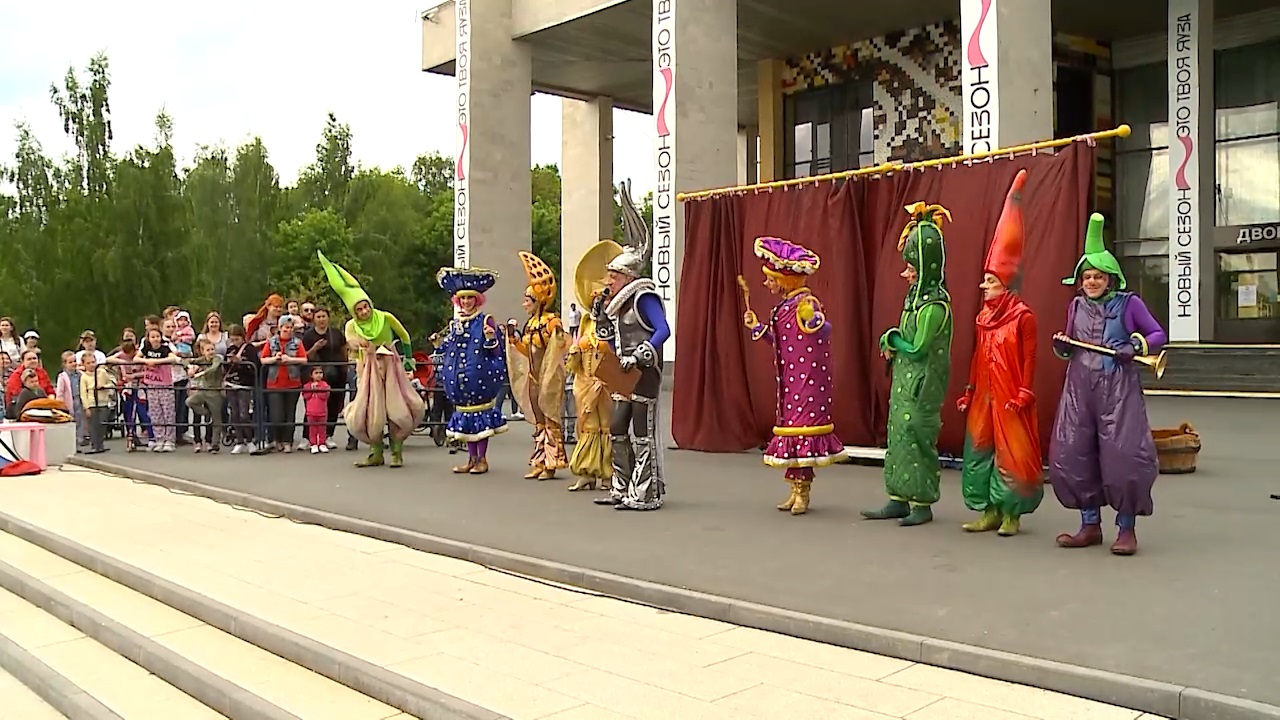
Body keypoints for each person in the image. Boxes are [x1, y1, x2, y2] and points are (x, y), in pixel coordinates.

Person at [1050, 213, 1166, 556]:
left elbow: (1158, 334)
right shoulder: (1076, 306)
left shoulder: (1129, 304)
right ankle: (1089, 525)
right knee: (1073, 453)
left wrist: (1136, 347)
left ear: (1110, 278)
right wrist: (1062, 345)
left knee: (1124, 456)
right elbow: (1070, 344)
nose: (1092, 282)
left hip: (1118, 392)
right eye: (1087, 276)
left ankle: (1126, 528)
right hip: (1079, 390)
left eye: (1098, 276)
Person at [956, 170, 1044, 537]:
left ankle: (1012, 513)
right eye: (986, 280)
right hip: (985, 395)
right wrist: (971, 389)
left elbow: (1030, 357)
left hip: (1010, 395)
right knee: (979, 449)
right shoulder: (981, 317)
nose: (985, 286)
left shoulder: (1023, 317)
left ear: (1005, 284)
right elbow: (978, 356)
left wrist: (1025, 390)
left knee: (1013, 452)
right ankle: (988, 509)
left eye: (991, 282)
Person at [862, 202, 955, 527]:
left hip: (922, 383)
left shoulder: (934, 307)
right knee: (898, 434)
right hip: (905, 380)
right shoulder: (913, 302)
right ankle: (898, 497)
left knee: (916, 434)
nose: (906, 275)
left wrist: (893, 339)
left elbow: (916, 348)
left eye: (912, 269)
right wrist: (892, 339)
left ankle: (922, 502)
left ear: (927, 268)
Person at [743, 236, 847, 516]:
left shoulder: (806, 302)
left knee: (802, 432)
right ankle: (794, 490)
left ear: (784, 280)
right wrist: (758, 328)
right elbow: (781, 342)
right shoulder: (785, 305)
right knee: (792, 432)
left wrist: (815, 321)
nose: (767, 284)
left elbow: (823, 330)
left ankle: (803, 492)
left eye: (771, 279)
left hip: (808, 381)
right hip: (790, 380)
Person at [592, 181, 671, 511]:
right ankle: (621, 488)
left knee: (642, 432)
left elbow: (663, 330)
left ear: (626, 276)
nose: (608, 281)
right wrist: (598, 315)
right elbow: (609, 336)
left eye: (612, 276)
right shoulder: (618, 304)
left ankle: (646, 492)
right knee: (616, 428)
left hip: (643, 374)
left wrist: (641, 354)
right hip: (622, 375)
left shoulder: (644, 296)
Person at [319, 251, 425, 468]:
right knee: (369, 409)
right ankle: (375, 452)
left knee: (398, 408)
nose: (364, 311)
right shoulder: (351, 325)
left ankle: (396, 452)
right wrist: (359, 343)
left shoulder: (385, 317)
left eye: (365, 305)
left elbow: (404, 335)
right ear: (354, 312)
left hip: (391, 367)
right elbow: (350, 340)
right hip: (367, 369)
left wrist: (407, 359)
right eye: (359, 309)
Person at [432, 267, 508, 473]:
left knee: (480, 422)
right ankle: (472, 459)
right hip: (461, 383)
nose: (466, 302)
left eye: (469, 298)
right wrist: (439, 343)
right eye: (462, 298)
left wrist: (491, 338)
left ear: (477, 300)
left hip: (479, 379)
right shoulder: (457, 323)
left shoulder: (485, 320)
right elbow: (449, 347)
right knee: (467, 422)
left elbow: (496, 351)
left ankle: (482, 459)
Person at [565, 239, 625, 492]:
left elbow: (619, 345)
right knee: (587, 426)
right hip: (586, 381)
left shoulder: (617, 319)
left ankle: (609, 474)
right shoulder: (586, 321)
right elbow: (579, 346)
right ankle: (587, 472)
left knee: (608, 427)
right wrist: (576, 350)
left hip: (608, 380)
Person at [506, 251, 572, 480]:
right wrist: (513, 340)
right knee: (539, 422)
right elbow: (527, 351)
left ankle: (552, 463)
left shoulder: (550, 322)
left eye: (528, 300)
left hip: (548, 378)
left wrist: (558, 336)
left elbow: (558, 348)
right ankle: (540, 460)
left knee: (550, 420)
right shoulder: (531, 323)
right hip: (534, 378)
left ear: (539, 300)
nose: (524, 303)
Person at [260, 313, 309, 453]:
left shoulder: (297, 342)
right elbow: (263, 359)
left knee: (290, 414)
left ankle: (288, 441)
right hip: (274, 382)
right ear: (280, 328)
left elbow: (304, 359)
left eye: (290, 328)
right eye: (285, 328)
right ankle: (278, 440)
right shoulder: (271, 342)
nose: (288, 330)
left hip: (292, 382)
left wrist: (290, 360)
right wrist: (274, 359)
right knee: (276, 415)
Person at [302, 307, 347, 450]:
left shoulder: (335, 333)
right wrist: (315, 347)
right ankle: (307, 437)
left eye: (324, 316)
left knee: (334, 404)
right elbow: (304, 355)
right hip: (317, 374)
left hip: (337, 372)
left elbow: (344, 348)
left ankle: (328, 435)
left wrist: (346, 364)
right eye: (318, 317)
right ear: (314, 319)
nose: (321, 319)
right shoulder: (308, 335)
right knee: (313, 407)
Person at [223, 325, 259, 454]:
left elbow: (255, 367)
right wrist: (229, 363)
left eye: (237, 339)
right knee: (234, 413)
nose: (235, 342)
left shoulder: (250, 349)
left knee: (244, 414)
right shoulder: (230, 349)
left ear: (243, 337)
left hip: (244, 384)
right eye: (232, 339)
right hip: (231, 384)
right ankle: (239, 441)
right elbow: (225, 368)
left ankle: (249, 440)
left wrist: (241, 363)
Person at [186, 338, 226, 453]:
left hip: (215, 392)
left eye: (212, 349)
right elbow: (188, 361)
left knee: (217, 421)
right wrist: (189, 367)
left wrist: (201, 373)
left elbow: (214, 368)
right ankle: (206, 413)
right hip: (203, 390)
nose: (211, 352)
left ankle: (215, 444)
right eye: (208, 350)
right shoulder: (202, 360)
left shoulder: (217, 359)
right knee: (190, 402)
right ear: (203, 351)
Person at [79, 353, 113, 454]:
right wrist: (86, 407)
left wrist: (105, 387)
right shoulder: (84, 377)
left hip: (103, 401)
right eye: (88, 363)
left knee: (103, 423)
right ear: (84, 364)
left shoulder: (102, 372)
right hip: (92, 402)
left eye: (93, 362)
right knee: (93, 425)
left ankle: (101, 444)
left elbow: (111, 382)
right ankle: (94, 445)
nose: (91, 365)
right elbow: (83, 393)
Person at [302, 366, 332, 454]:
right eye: (316, 373)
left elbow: (325, 397)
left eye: (320, 373)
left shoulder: (325, 385)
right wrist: (311, 390)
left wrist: (318, 389)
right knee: (312, 429)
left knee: (322, 428)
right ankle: (313, 444)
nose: (319, 375)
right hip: (311, 412)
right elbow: (306, 396)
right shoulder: (307, 385)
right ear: (311, 375)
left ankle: (322, 443)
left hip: (322, 411)